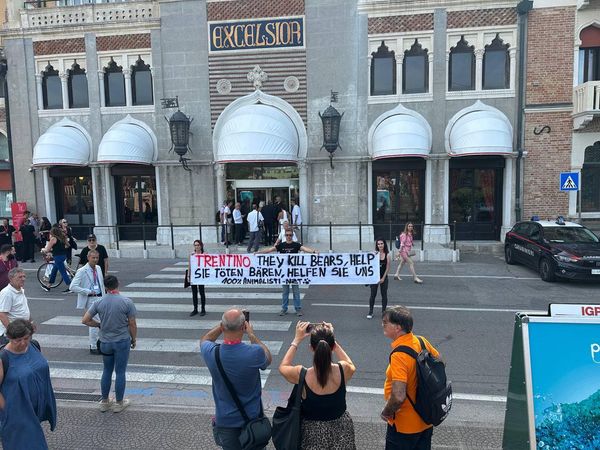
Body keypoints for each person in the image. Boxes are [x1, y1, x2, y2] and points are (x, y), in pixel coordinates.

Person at [200, 308, 272, 449]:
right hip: (252, 421)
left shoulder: (211, 353)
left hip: (225, 423)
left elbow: (205, 340)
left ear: (222, 326)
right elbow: (268, 358)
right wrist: (252, 335)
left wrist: (222, 326)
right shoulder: (254, 352)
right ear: (243, 327)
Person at [279, 321, 356, 449]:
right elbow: (351, 364)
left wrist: (296, 340)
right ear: (331, 347)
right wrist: (333, 341)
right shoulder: (343, 370)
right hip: (342, 429)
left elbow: (283, 367)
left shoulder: (302, 374)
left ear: (311, 348)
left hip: (312, 433)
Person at [380, 306, 440, 450]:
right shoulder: (421, 341)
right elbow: (440, 363)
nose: (382, 324)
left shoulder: (399, 356)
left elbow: (399, 396)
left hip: (404, 427)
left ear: (398, 328)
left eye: (385, 322)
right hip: (425, 420)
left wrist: (386, 413)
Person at [82, 275, 137, 413]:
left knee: (106, 370)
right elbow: (132, 324)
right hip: (121, 341)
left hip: (105, 342)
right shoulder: (127, 302)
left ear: (105, 286)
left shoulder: (99, 302)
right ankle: (119, 403)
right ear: (118, 284)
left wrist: (99, 325)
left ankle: (105, 401)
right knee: (120, 372)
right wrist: (133, 339)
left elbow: (85, 320)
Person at [0, 319, 57, 449]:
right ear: (9, 337)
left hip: (35, 408)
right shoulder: (3, 358)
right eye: (17, 340)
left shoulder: (34, 346)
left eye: (26, 338)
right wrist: (8, 410)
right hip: (17, 412)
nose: (23, 343)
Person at [257, 231, 317, 316]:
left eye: (290, 235)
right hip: (284, 274)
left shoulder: (296, 245)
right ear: (285, 236)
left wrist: (314, 251)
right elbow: (270, 250)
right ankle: (284, 309)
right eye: (287, 235)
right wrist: (259, 253)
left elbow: (305, 249)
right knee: (285, 292)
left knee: (296, 292)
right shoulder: (281, 245)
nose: (289, 236)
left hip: (294, 273)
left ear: (292, 236)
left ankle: (298, 309)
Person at [69, 249, 106, 354]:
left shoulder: (98, 268)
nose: (95, 260)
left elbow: (101, 284)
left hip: (100, 297)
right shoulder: (82, 271)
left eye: (97, 258)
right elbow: (72, 287)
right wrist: (87, 291)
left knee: (101, 322)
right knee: (95, 323)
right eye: (93, 258)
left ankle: (99, 343)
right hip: (91, 299)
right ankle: (93, 346)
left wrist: (105, 296)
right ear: (88, 258)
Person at [0, 268, 30, 345]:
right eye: (20, 277)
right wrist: (12, 333)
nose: (23, 279)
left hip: (23, 331)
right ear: (11, 279)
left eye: (24, 276)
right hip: (13, 335)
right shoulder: (7, 293)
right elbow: (2, 314)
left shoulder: (20, 290)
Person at [40, 226, 72, 292]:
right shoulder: (62, 238)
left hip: (58, 257)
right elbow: (68, 245)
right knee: (54, 271)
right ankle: (48, 286)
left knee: (63, 272)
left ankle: (71, 287)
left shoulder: (53, 239)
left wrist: (43, 250)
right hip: (63, 255)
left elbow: (47, 249)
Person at [367, 239, 391, 320]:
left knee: (384, 295)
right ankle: (371, 311)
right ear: (376, 245)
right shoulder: (375, 254)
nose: (380, 245)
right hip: (374, 278)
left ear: (384, 244)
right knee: (372, 295)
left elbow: (388, 268)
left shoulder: (387, 255)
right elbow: (367, 261)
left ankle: (384, 312)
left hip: (383, 277)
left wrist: (383, 278)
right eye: (378, 244)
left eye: (381, 243)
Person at [188, 240, 206, 317]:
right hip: (194, 276)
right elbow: (190, 266)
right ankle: (195, 309)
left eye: (198, 245)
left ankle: (203, 309)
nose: (197, 247)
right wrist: (189, 275)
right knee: (194, 293)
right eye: (195, 245)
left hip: (201, 276)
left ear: (201, 246)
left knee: (202, 292)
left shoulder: (204, 254)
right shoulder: (192, 255)